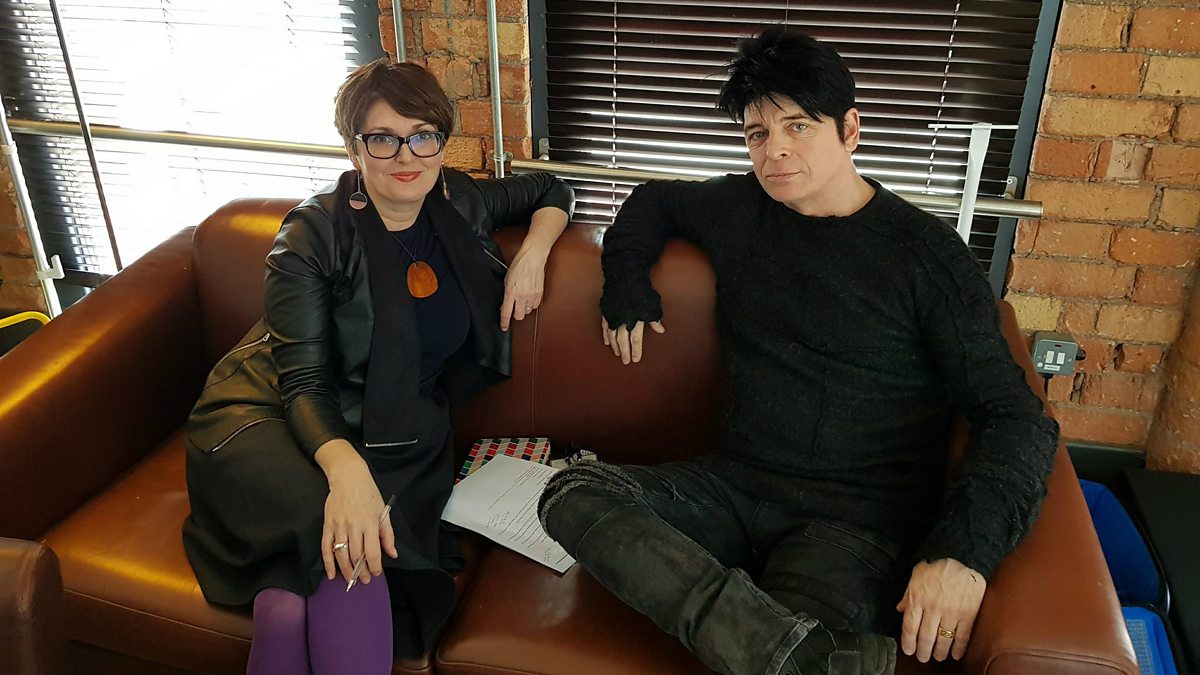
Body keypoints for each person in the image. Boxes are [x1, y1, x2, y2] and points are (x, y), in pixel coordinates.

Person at [538, 27, 1058, 675]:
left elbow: (1014, 415)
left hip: (854, 523)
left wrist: (964, 553)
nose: (774, 150)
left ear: (850, 129)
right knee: (571, 492)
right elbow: (652, 200)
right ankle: (808, 657)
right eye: (757, 133)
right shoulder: (740, 207)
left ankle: (777, 649)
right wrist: (627, 288)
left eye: (798, 126)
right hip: (735, 487)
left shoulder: (927, 255)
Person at [182, 59, 573, 675]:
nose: (406, 155)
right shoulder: (313, 235)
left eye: (422, 136)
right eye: (383, 139)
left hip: (399, 435)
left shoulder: (457, 202)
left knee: (288, 606)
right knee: (351, 544)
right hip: (272, 418)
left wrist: (532, 253)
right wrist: (348, 475)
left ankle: (280, 602)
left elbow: (552, 189)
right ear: (353, 148)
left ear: (441, 141)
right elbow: (303, 382)